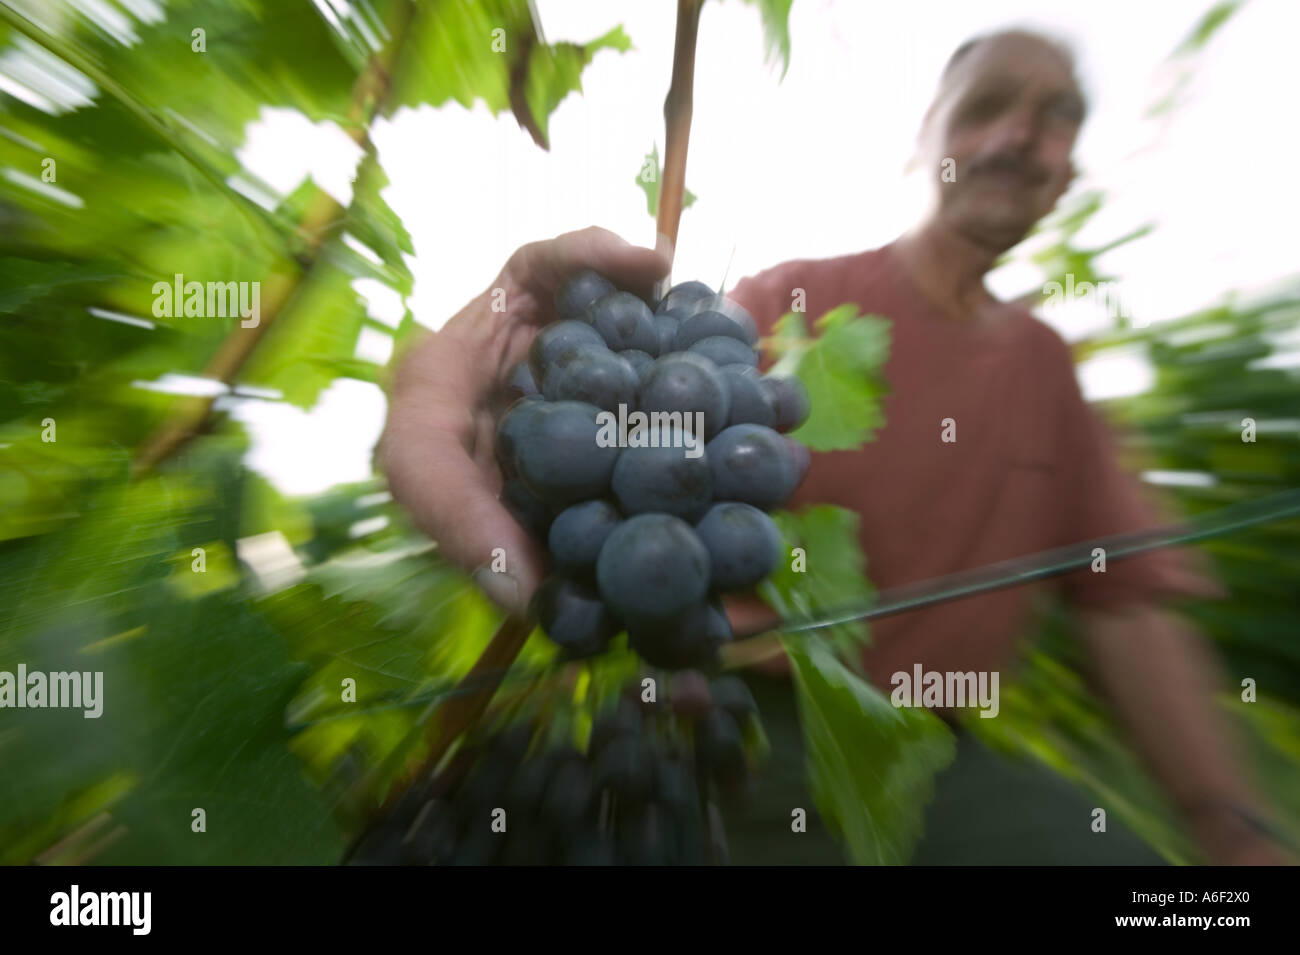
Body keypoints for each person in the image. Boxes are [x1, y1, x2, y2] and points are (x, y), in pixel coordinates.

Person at [382, 28, 1285, 864]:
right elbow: (648, 402)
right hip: (752, 727)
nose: (1019, 134)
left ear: (1067, 173)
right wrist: (525, 382)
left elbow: (1128, 604)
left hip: (930, 755)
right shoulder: (793, 299)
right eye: (987, 105)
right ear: (927, 135)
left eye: (1054, 121)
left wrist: (1227, 824)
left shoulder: (1053, 371)